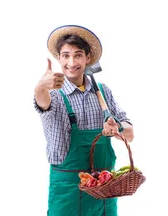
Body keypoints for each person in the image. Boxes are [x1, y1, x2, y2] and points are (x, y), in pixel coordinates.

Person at [34, 25, 134, 216]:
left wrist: (117, 128)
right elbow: (42, 101)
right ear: (59, 59)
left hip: (104, 189)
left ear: (88, 58)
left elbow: (130, 134)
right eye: (66, 55)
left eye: (78, 55)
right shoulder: (54, 94)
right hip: (68, 191)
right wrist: (40, 86)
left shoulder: (103, 92)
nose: (72, 62)